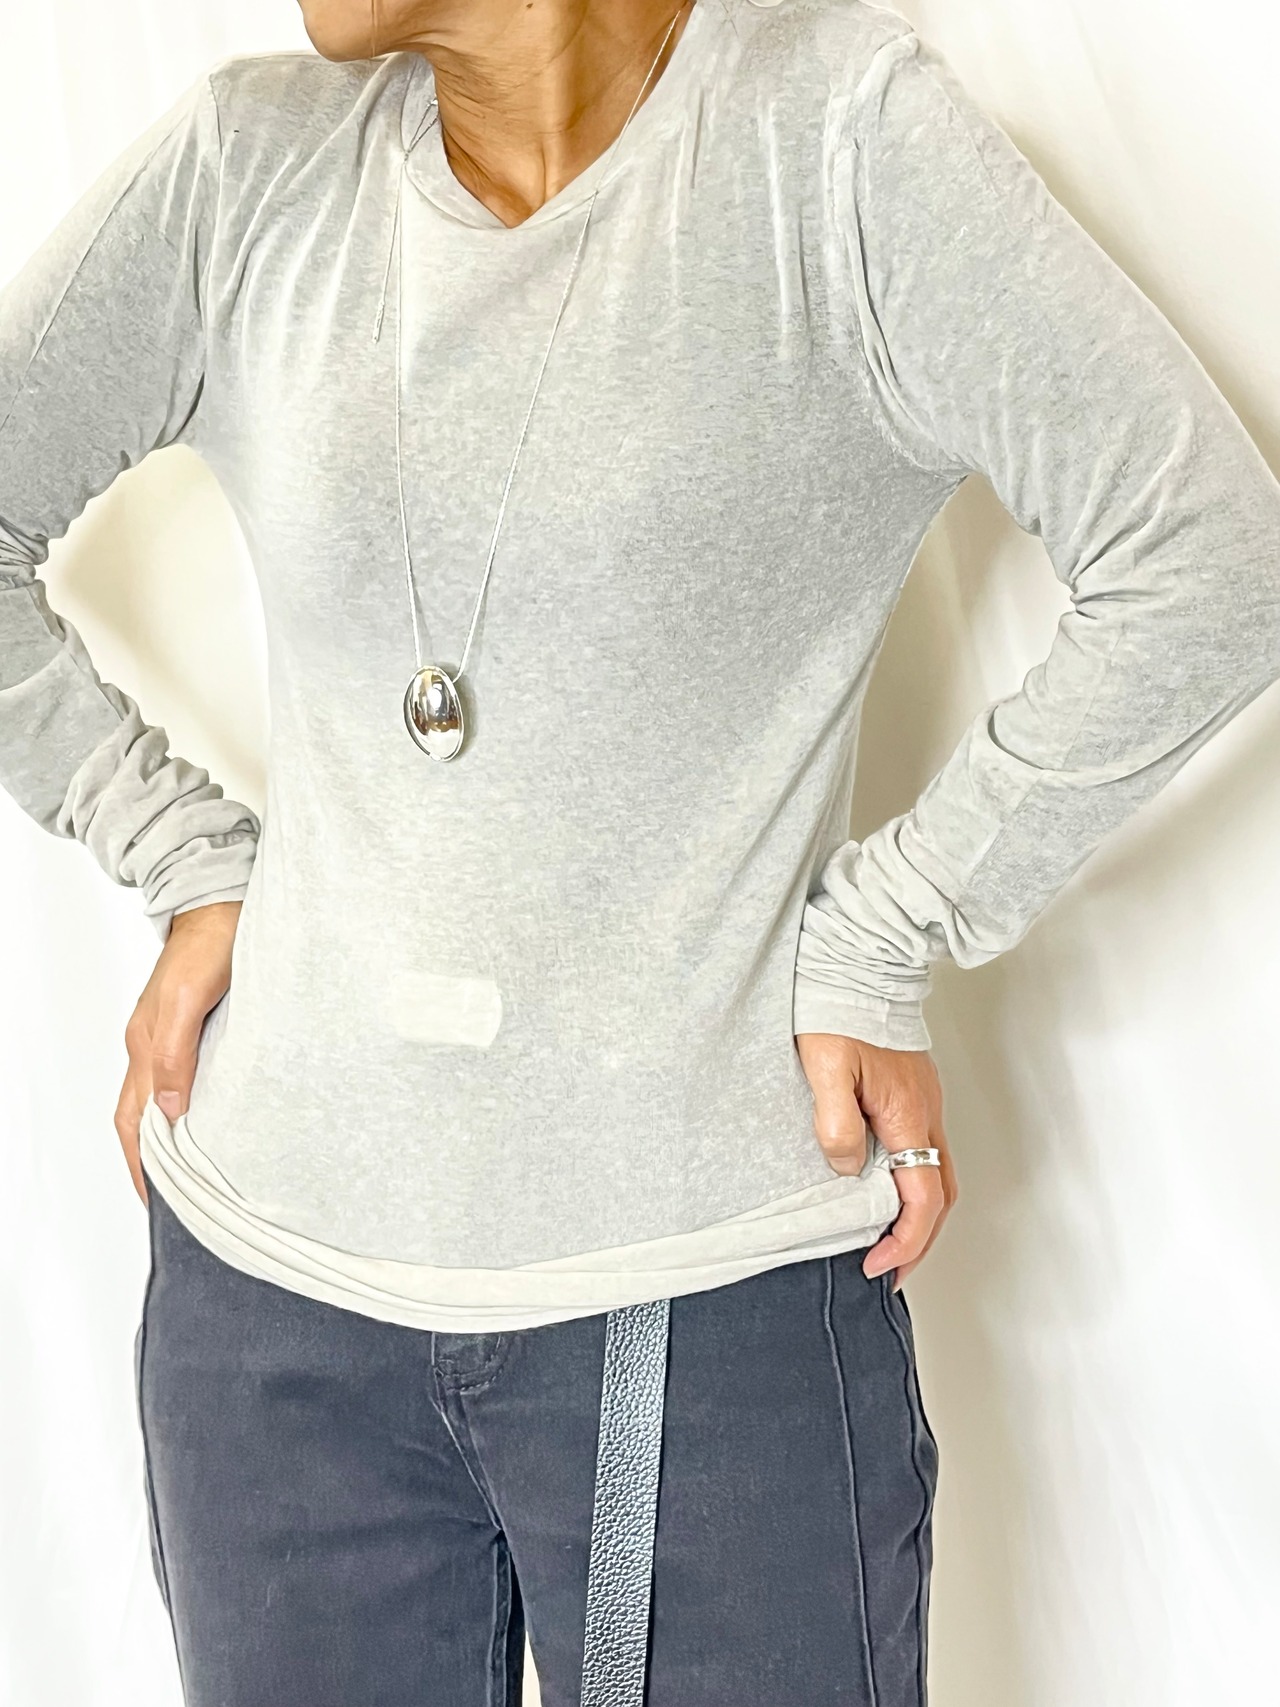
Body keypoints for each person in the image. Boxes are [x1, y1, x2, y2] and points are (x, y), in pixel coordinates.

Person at [3, 0, 1278, 1701]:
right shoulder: (250, 168)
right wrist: (177, 850)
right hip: (268, 1325)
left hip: (704, 1312)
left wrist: (887, 928)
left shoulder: (835, 147)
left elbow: (1204, 556)